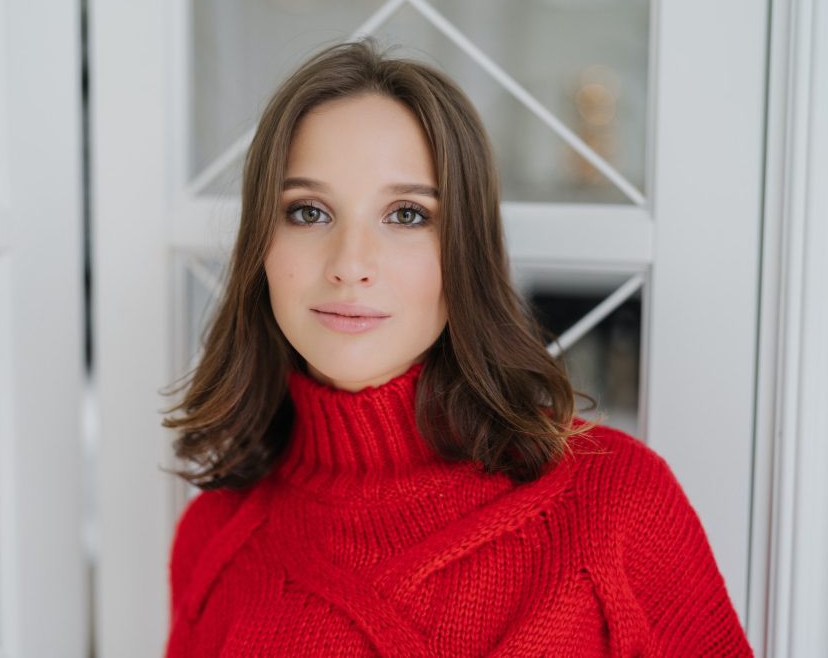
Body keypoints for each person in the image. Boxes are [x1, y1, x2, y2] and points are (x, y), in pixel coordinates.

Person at [160, 37, 753, 657]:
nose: (350, 265)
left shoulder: (616, 501)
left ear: (464, 251)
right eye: (308, 212)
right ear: (261, 244)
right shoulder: (214, 536)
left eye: (408, 215)